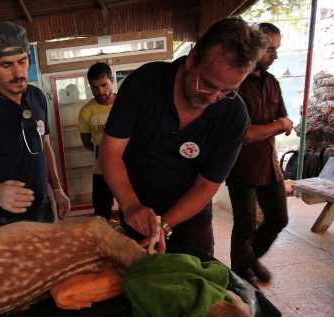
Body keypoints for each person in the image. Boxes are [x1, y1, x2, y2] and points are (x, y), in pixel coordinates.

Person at [99, 17, 269, 254]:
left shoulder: (234, 115)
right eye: (207, 84)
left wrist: (164, 226)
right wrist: (130, 205)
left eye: (227, 91)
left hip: (192, 221)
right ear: (192, 58)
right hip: (137, 211)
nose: (212, 98)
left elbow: (207, 184)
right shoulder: (144, 83)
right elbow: (110, 152)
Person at [0, 21, 70, 229]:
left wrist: (57, 189)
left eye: (23, 61)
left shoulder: (36, 96)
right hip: (7, 220)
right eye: (6, 65)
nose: (18, 73)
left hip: (44, 208)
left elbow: (45, 146)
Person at [226, 23, 292, 283]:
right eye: (269, 49)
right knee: (245, 226)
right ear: (254, 47)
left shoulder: (271, 82)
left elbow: (285, 119)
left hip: (269, 163)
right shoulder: (236, 83)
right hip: (241, 167)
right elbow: (247, 135)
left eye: (277, 49)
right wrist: (277, 126)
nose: (274, 55)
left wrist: (277, 125)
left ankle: (249, 260)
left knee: (279, 218)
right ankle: (240, 275)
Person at [78, 63, 116, 221]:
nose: (100, 91)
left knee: (131, 215)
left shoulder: (125, 105)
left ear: (112, 81)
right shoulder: (86, 112)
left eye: (104, 85)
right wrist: (103, 153)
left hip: (129, 169)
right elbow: (87, 142)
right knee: (101, 219)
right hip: (101, 172)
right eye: (95, 87)